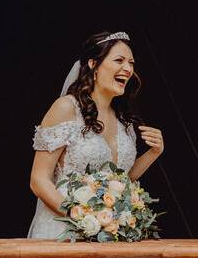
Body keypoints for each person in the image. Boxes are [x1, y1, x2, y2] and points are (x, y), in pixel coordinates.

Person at [27, 31, 164, 239]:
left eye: (131, 63)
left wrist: (154, 152)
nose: (128, 69)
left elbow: (122, 179)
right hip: (63, 231)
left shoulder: (124, 121)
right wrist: (82, 217)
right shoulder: (66, 108)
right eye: (119, 60)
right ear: (93, 64)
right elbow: (39, 180)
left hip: (107, 234)